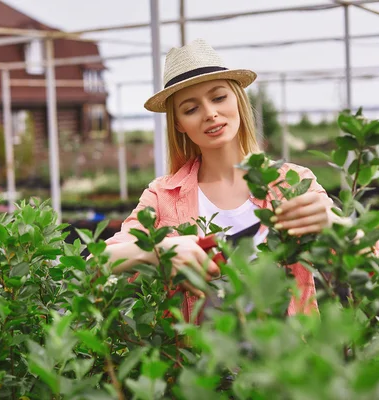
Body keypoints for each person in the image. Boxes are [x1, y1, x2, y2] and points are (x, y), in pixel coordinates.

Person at [104, 39, 341, 323]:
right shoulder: (163, 196)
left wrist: (336, 224)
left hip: (289, 360)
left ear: (238, 99)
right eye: (191, 109)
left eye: (218, 98)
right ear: (178, 123)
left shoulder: (292, 182)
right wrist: (158, 250)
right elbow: (97, 263)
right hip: (199, 363)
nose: (210, 113)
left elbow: (362, 256)